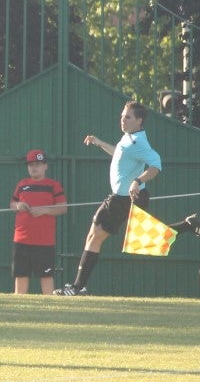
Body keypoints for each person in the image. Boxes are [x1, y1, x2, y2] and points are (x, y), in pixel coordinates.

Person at [55, 100, 163, 296]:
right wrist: (99, 143)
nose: (122, 120)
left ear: (139, 120)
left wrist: (137, 181)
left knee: (96, 236)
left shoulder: (138, 142)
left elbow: (156, 165)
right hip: (123, 198)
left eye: (128, 117)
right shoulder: (129, 138)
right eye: (122, 116)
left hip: (124, 199)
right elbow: (121, 154)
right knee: (99, 236)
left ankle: (78, 288)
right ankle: (79, 287)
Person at [10, 148, 67, 294]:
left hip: (44, 241)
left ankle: (49, 308)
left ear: (45, 166)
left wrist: (43, 210)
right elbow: (12, 204)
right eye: (31, 165)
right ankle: (18, 306)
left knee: (46, 275)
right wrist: (18, 205)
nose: (34, 167)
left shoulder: (53, 185)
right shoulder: (22, 184)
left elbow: (62, 208)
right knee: (21, 274)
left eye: (38, 164)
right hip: (22, 239)